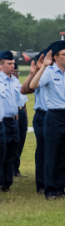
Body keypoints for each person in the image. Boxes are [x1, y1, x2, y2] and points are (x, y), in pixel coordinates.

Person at [29, 41, 65, 200]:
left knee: (63, 155)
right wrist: (43, 67)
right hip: (54, 116)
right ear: (55, 57)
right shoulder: (48, 72)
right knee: (51, 154)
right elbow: (33, 84)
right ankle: (49, 190)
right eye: (64, 55)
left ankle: (60, 189)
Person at [21, 49, 49, 194]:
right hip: (43, 116)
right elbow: (24, 90)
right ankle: (42, 184)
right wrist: (33, 72)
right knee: (43, 150)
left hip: (58, 115)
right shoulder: (40, 76)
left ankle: (53, 181)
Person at [0, 50, 19, 193]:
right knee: (2, 153)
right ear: (1, 65)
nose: (13, 66)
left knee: (12, 152)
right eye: (9, 63)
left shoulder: (15, 80)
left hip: (13, 121)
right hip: (3, 121)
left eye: (13, 63)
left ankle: (7, 183)